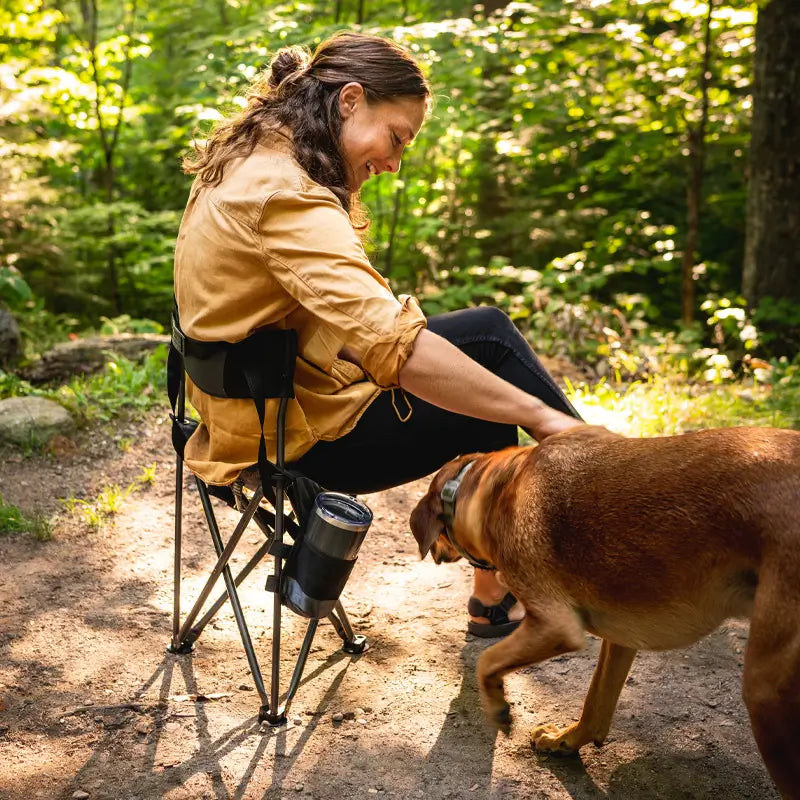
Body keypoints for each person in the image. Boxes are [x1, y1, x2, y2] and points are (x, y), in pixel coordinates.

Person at [174, 31, 583, 638]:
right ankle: (575, 517)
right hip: (293, 436)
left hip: (251, 404)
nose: (394, 162)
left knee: (488, 335)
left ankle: (568, 506)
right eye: (397, 138)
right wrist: (543, 418)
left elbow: (329, 321)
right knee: (489, 406)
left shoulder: (248, 158)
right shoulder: (284, 194)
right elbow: (395, 344)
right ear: (350, 100)